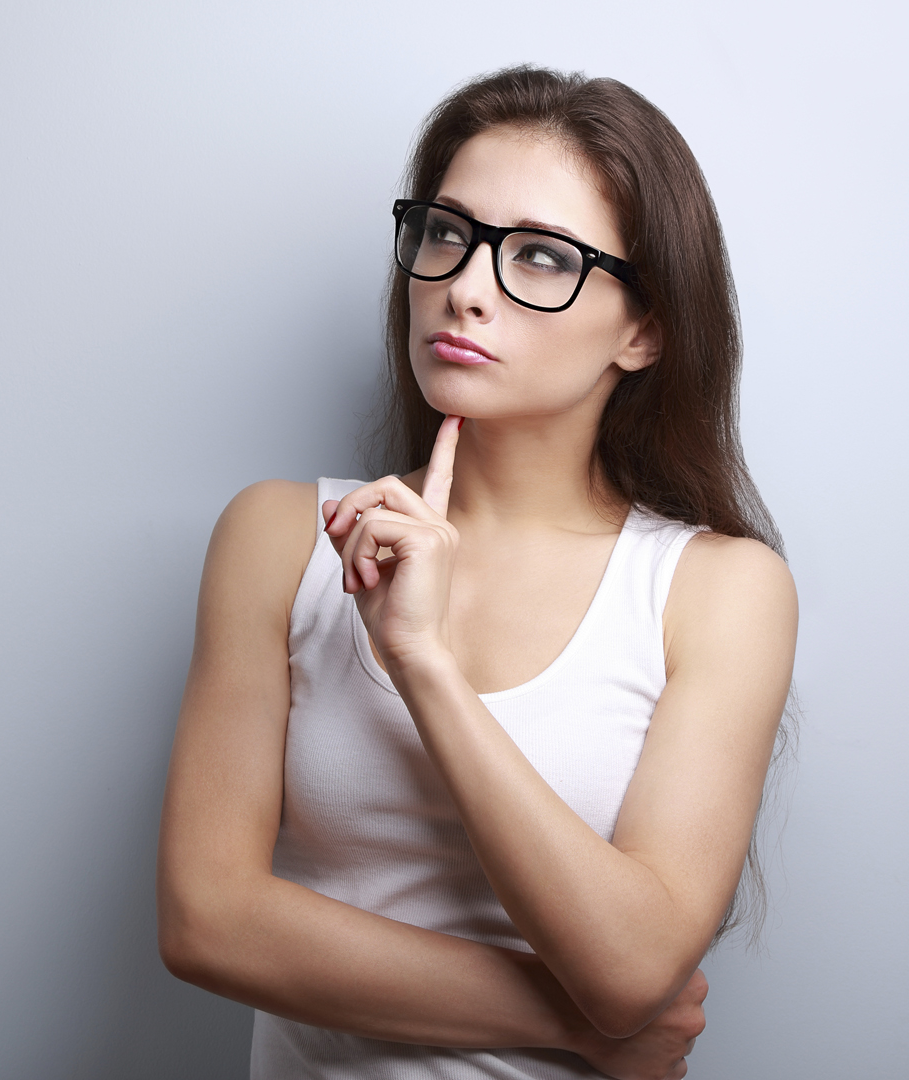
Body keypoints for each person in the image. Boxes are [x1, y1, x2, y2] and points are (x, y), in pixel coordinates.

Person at [157, 66, 797, 1080]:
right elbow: (207, 919)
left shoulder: (719, 588)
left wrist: (423, 663)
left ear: (645, 329)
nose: (464, 285)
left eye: (541, 256)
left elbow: (633, 964)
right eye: (448, 232)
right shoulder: (281, 538)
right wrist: (573, 1025)